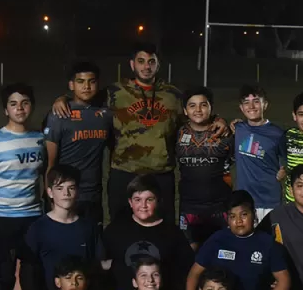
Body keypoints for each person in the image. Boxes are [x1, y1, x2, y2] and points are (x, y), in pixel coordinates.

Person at [52, 43, 228, 223]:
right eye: (141, 61)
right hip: (124, 171)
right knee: (121, 227)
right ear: (132, 64)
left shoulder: (172, 95)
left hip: (161, 173)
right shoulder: (115, 92)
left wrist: (217, 119)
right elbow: (84, 96)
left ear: (158, 65)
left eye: (151, 61)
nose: (146, 66)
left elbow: (194, 115)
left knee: (163, 229)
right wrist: (62, 98)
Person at [185, 191, 300, 290]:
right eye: (233, 217)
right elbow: (195, 272)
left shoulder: (267, 243)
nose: (238, 221)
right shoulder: (218, 240)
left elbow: (284, 279)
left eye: (243, 215)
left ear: (254, 214)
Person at [0, 83, 45, 290]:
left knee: (26, 273)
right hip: (0, 216)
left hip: (31, 215)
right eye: (13, 104)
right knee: (2, 271)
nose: (19, 108)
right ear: (5, 110)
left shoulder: (39, 139)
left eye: (25, 103)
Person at [22, 166, 107, 290]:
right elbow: (27, 274)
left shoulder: (89, 227)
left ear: (78, 191)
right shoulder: (38, 228)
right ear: (50, 192)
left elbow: (96, 268)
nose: (66, 194)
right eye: (60, 188)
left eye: (71, 188)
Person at [104, 175, 194, 290]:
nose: (143, 206)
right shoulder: (115, 230)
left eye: (149, 200)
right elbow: (102, 265)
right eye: (137, 200)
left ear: (158, 201)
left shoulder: (172, 234)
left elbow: (184, 274)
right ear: (130, 202)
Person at [43, 61, 113, 222]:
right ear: (71, 85)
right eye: (80, 81)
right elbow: (51, 163)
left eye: (92, 81)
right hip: (64, 195)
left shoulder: (106, 114)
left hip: (93, 196)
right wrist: (51, 198)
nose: (86, 86)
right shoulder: (59, 114)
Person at [176, 87, 234, 249]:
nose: (198, 110)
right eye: (192, 106)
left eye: (203, 105)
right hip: (189, 208)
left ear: (211, 107)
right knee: (190, 255)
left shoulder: (225, 134)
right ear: (185, 111)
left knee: (221, 254)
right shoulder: (177, 132)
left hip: (220, 208)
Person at [232, 84, 286, 221]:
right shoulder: (238, 129)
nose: (251, 106)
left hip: (269, 201)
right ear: (241, 108)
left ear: (265, 105)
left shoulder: (278, 134)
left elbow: (289, 160)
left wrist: (285, 170)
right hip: (244, 200)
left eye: (256, 101)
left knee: (269, 241)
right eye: (246, 103)